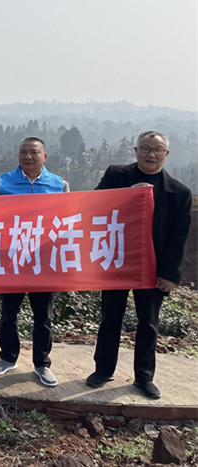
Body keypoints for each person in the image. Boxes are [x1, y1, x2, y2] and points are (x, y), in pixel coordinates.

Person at [86, 130, 192, 399]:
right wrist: (124, 196)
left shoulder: (179, 192)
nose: (151, 154)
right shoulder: (116, 175)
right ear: (136, 151)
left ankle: (144, 377)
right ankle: (103, 369)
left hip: (153, 268)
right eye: (145, 148)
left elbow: (178, 238)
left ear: (166, 154)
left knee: (149, 322)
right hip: (117, 260)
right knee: (110, 317)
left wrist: (170, 274)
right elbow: (94, 205)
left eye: (157, 150)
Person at [0, 137, 70, 387]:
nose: (28, 157)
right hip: (12, 258)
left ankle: (42, 363)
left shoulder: (59, 184)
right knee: (8, 313)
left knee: (43, 315)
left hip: (44, 261)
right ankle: (7, 357)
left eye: (34, 152)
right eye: (23, 152)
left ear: (45, 156)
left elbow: (67, 220)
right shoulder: (3, 181)